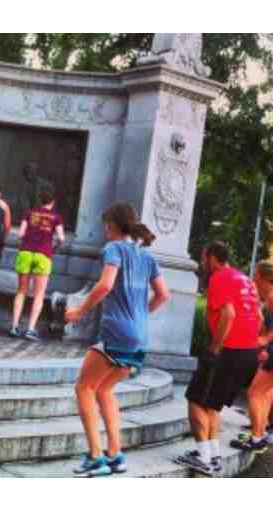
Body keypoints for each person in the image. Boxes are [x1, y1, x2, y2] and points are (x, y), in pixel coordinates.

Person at [65, 202, 170, 476]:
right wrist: (140, 315)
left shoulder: (113, 248)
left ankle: (95, 457)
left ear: (111, 225)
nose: (105, 230)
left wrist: (79, 311)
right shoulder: (146, 256)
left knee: (84, 388)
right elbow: (163, 294)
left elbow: (105, 285)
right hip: (140, 337)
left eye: (105, 225)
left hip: (117, 333)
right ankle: (116, 454)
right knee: (104, 390)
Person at [174, 241, 262, 476]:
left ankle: (203, 458)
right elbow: (259, 316)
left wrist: (214, 349)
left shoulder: (219, 278)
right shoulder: (244, 279)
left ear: (212, 257)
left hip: (228, 350)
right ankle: (213, 455)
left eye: (204, 257)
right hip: (248, 350)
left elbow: (228, 314)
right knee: (212, 404)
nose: (203, 262)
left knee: (195, 399)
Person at [230, 261, 273, 453]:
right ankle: (259, 435)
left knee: (254, 393)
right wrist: (264, 346)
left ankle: (257, 438)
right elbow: (271, 323)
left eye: (255, 274)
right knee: (262, 393)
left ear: (262, 276)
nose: (253, 277)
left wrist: (265, 340)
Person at [10, 190, 65, 341]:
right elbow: (61, 238)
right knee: (39, 294)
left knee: (21, 291)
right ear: (52, 202)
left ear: (41, 200)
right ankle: (30, 329)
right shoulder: (56, 217)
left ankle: (14, 326)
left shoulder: (29, 213)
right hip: (43, 254)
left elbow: (20, 234)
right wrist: (54, 248)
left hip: (26, 252)